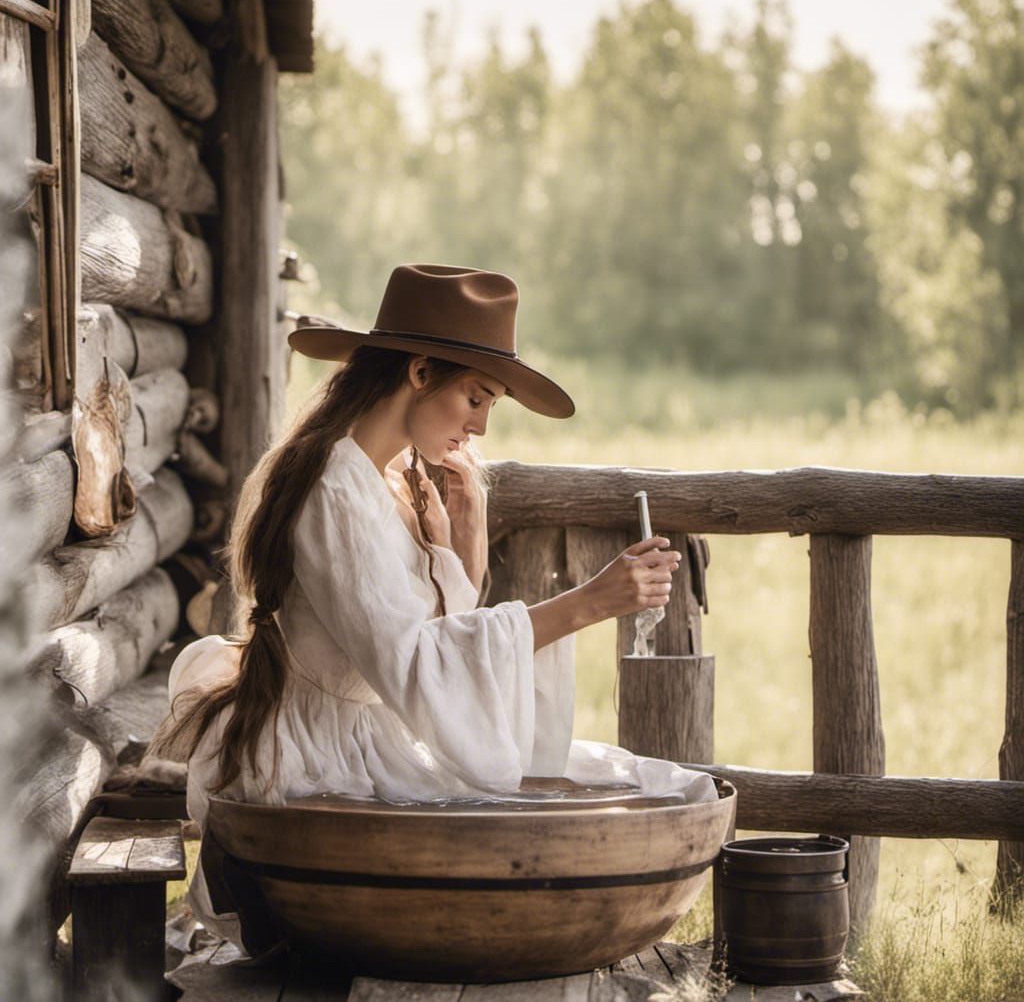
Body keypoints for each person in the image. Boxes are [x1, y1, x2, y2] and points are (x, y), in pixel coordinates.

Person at [155, 263, 716, 950]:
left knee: (664, 786)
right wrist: (589, 603)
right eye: (475, 398)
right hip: (317, 759)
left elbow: (433, 640)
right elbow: (416, 665)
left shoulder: (390, 483)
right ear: (419, 372)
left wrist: (462, 538)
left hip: (374, 735)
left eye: (490, 408)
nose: (479, 427)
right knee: (599, 806)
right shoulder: (334, 489)